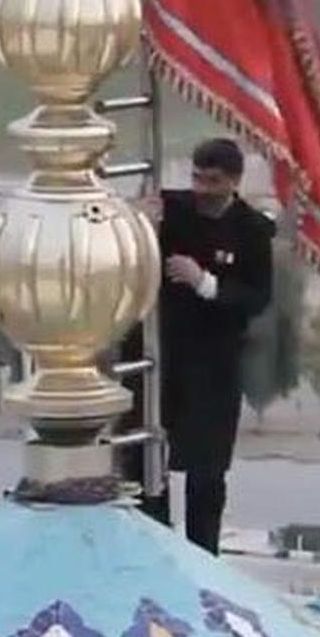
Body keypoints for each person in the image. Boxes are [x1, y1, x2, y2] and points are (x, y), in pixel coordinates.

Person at [119, 137, 274, 554]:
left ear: (234, 181)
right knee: (144, 459)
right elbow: (120, 232)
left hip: (213, 367)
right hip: (158, 358)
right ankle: (151, 547)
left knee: (206, 471)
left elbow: (257, 297)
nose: (203, 189)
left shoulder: (252, 231)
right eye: (197, 178)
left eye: (214, 181)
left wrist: (205, 282)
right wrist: (137, 223)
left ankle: (202, 560)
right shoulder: (173, 211)